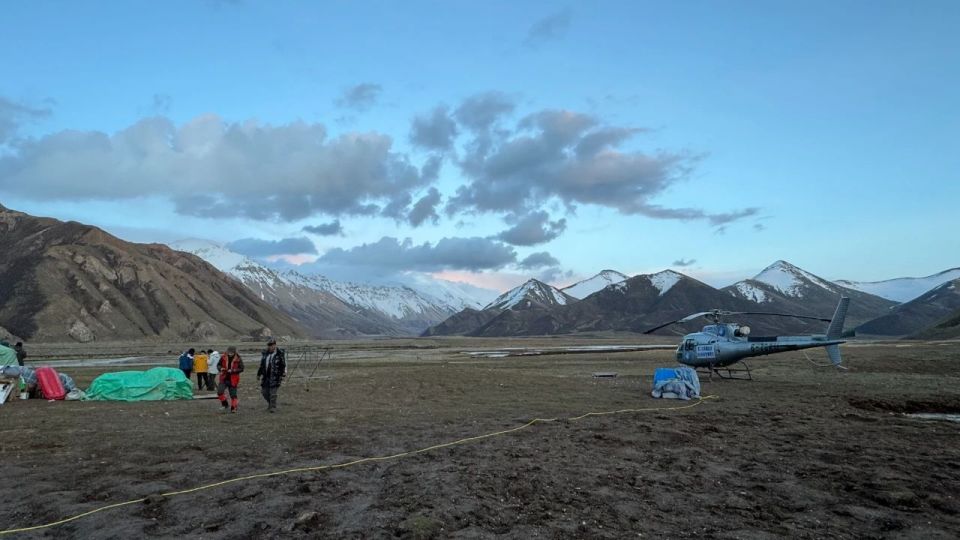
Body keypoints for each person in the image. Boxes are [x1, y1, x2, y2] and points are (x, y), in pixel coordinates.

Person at [256, 337, 286, 413]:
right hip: (266, 376)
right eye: (269, 345)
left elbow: (283, 365)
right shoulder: (265, 354)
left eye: (272, 345)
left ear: (275, 345)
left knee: (273, 393)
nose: (270, 346)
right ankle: (270, 404)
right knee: (264, 392)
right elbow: (262, 365)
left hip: (275, 376)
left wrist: (282, 373)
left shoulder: (280, 354)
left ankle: (273, 407)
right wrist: (258, 374)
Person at [216, 346, 244, 413]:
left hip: (233, 379)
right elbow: (218, 365)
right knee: (219, 392)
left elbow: (242, 368)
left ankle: (234, 408)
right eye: (229, 352)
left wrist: (233, 370)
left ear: (234, 352)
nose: (230, 353)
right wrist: (220, 368)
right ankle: (225, 404)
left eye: (231, 352)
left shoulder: (238, 358)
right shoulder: (223, 357)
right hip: (224, 378)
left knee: (233, 395)